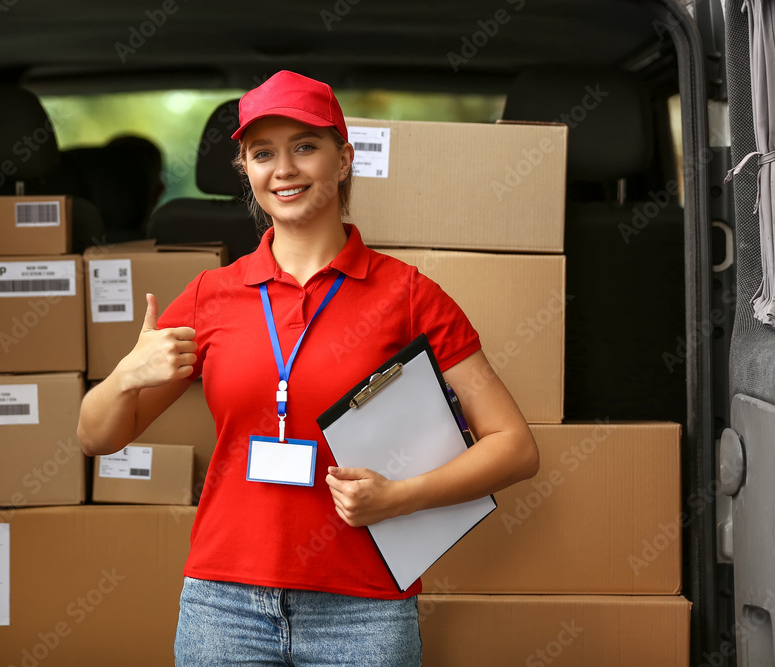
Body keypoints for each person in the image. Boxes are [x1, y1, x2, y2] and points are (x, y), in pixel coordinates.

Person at [77, 70, 540, 666]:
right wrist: (125, 376)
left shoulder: (407, 295)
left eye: (305, 146)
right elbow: (95, 437)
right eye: (263, 153)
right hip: (225, 606)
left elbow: (516, 448)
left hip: (364, 609)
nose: (285, 169)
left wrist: (400, 497)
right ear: (246, 170)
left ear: (343, 160)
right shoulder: (209, 296)